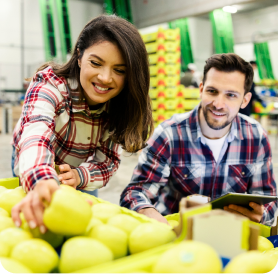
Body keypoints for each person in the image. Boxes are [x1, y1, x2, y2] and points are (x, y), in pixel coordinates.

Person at [11, 15, 153, 233]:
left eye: (120, 70)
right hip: (34, 165)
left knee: (82, 230)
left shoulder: (118, 105)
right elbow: (35, 135)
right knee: (33, 221)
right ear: (79, 57)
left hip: (77, 173)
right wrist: (41, 179)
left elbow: (107, 162)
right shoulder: (50, 86)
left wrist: (79, 176)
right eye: (95, 63)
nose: (105, 78)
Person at [120, 53, 277, 227]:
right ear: (201, 89)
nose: (218, 104)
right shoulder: (169, 134)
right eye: (212, 91)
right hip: (174, 238)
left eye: (231, 95)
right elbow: (135, 192)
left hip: (230, 237)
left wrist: (261, 215)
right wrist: (145, 210)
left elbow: (268, 200)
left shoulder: (256, 137)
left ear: (245, 100)